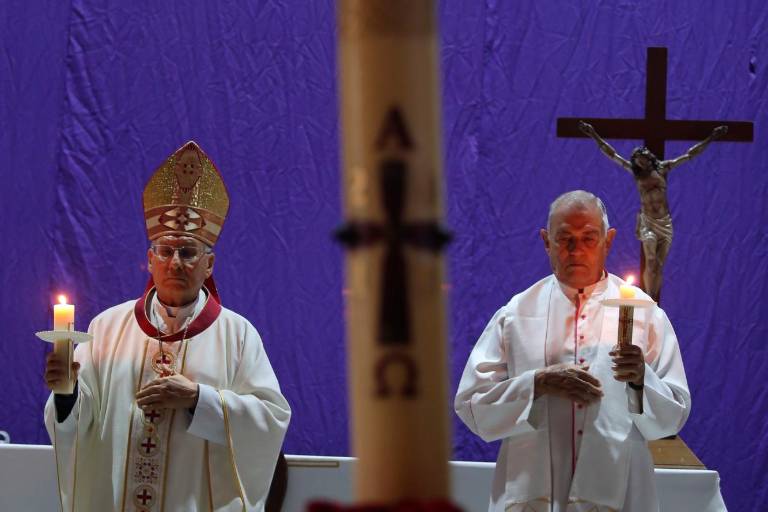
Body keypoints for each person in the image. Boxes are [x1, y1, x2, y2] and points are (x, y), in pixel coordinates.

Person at [43, 141, 291, 512]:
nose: (175, 262)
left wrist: (197, 399)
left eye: (188, 252)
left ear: (209, 265)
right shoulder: (107, 328)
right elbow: (78, 424)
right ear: (149, 260)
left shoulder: (237, 335)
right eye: (165, 250)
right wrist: (66, 391)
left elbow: (271, 420)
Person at [454, 190, 691, 512]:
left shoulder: (644, 314)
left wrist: (641, 378)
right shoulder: (516, 314)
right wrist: (537, 383)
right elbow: (472, 405)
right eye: (564, 238)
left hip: (619, 491)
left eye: (588, 238)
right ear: (545, 241)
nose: (575, 249)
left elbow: (672, 416)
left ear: (608, 241)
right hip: (534, 489)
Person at [578, 121, 727, 301]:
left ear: (649, 158)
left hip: (664, 221)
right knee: (651, 260)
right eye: (639, 161)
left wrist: (711, 138)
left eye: (644, 159)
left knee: (659, 266)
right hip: (648, 221)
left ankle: (654, 301)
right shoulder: (636, 173)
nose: (642, 163)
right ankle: (648, 297)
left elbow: (689, 155)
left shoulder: (663, 169)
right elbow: (612, 154)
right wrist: (593, 134)